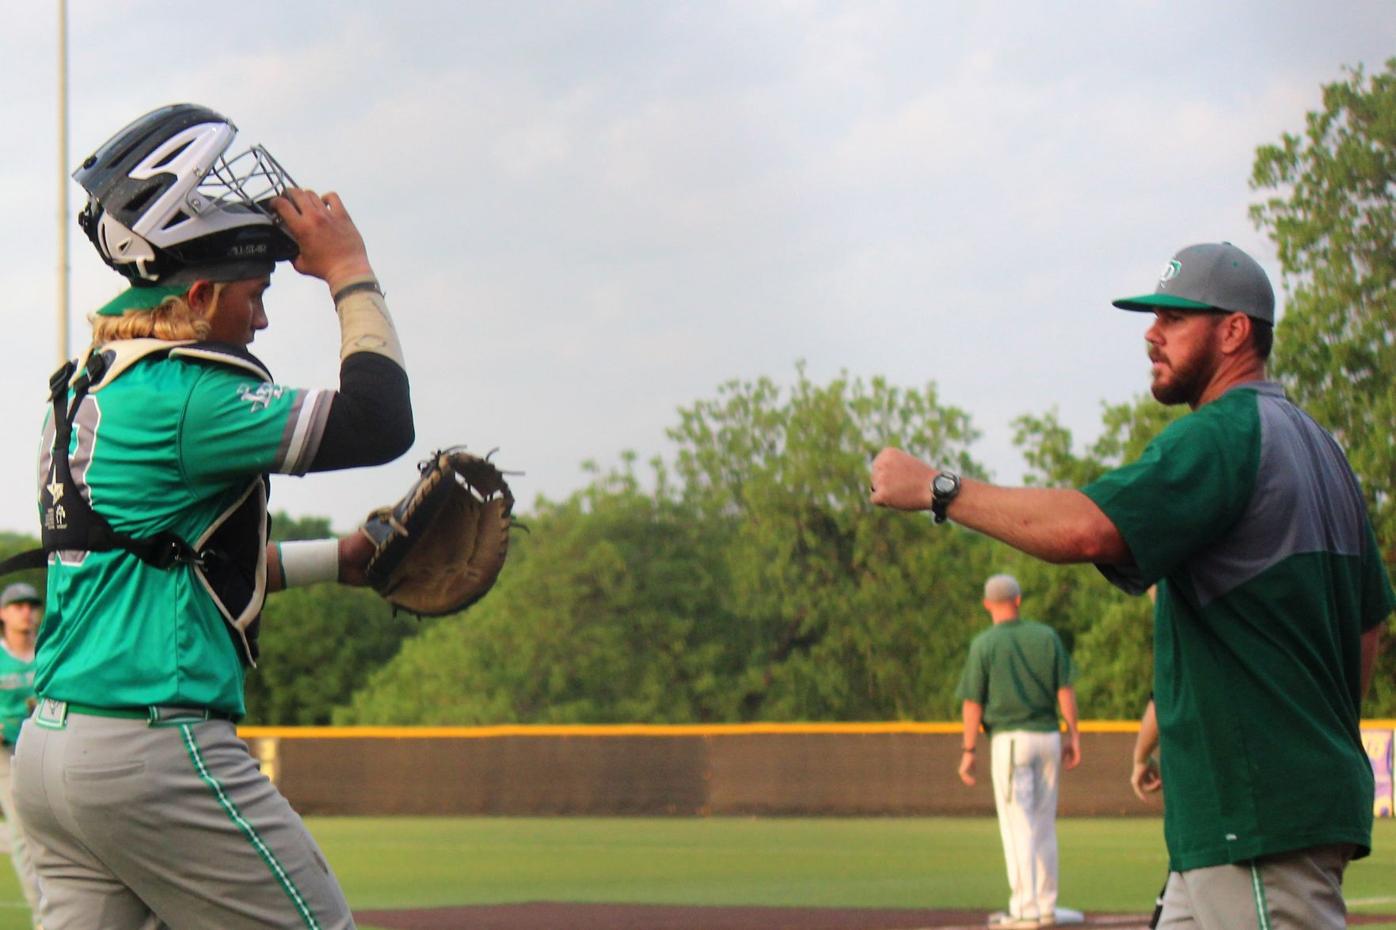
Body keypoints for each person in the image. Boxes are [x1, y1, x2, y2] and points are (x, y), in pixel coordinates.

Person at [871, 241, 1392, 930]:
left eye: (1175, 318)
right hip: (1251, 815)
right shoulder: (1321, 449)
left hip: (1258, 821)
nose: (1152, 333)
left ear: (1234, 330)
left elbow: (1090, 528)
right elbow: (1369, 626)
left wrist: (940, 489)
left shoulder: (1224, 435)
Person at [12, 103, 414, 930]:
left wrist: (334, 560)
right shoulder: (187, 395)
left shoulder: (87, 385)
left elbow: (165, 560)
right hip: (150, 747)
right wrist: (351, 271)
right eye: (254, 292)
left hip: (51, 757)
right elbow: (380, 421)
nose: (260, 316)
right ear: (198, 293)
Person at [957, 574, 1080, 930]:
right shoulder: (1045, 636)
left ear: (987, 604)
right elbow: (1065, 690)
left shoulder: (984, 644)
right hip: (1048, 738)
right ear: (1018, 600)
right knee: (1043, 824)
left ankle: (1024, 909)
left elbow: (972, 704)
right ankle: (1045, 906)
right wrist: (1074, 735)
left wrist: (968, 750)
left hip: (1011, 742)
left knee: (1018, 826)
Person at [0, 583, 42, 927]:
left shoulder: (49, 649)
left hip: (45, 750)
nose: (26, 611)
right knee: (24, 837)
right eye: (17, 605)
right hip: (5, 756)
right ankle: (45, 918)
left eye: (31, 604)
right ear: (2, 613)